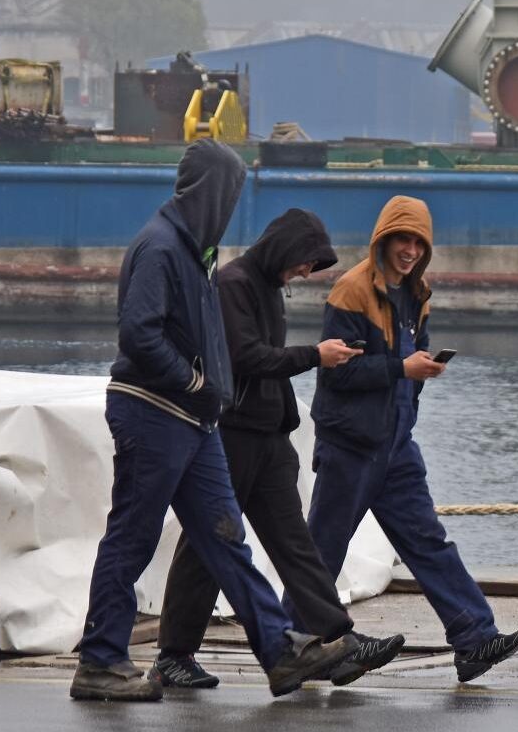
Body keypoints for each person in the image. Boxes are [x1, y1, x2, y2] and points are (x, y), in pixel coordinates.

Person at [72, 141, 355, 703]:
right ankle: (100, 661)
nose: (231, 207)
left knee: (227, 540)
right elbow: (139, 334)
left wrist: (205, 395)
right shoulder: (160, 248)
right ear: (210, 193)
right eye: (229, 193)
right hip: (155, 412)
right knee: (132, 537)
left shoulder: (196, 253)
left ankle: (280, 651)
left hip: (195, 422)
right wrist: (195, 382)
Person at [152, 208, 406, 690]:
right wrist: (316, 355)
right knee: (207, 545)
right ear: (284, 249)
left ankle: (337, 639)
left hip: (269, 438)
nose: (306, 272)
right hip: (233, 436)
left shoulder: (267, 287)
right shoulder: (234, 285)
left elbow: (265, 362)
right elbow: (245, 357)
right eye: (305, 262)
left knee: (296, 544)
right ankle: (174, 654)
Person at [303, 195, 518, 683]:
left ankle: (474, 637)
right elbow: (337, 372)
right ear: (383, 240)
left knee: (428, 540)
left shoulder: (417, 294)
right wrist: (402, 369)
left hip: (396, 444)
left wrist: (419, 372)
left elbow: (410, 361)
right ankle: (303, 645)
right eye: (402, 240)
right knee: (323, 549)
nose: (409, 250)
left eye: (418, 242)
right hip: (350, 444)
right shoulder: (351, 291)